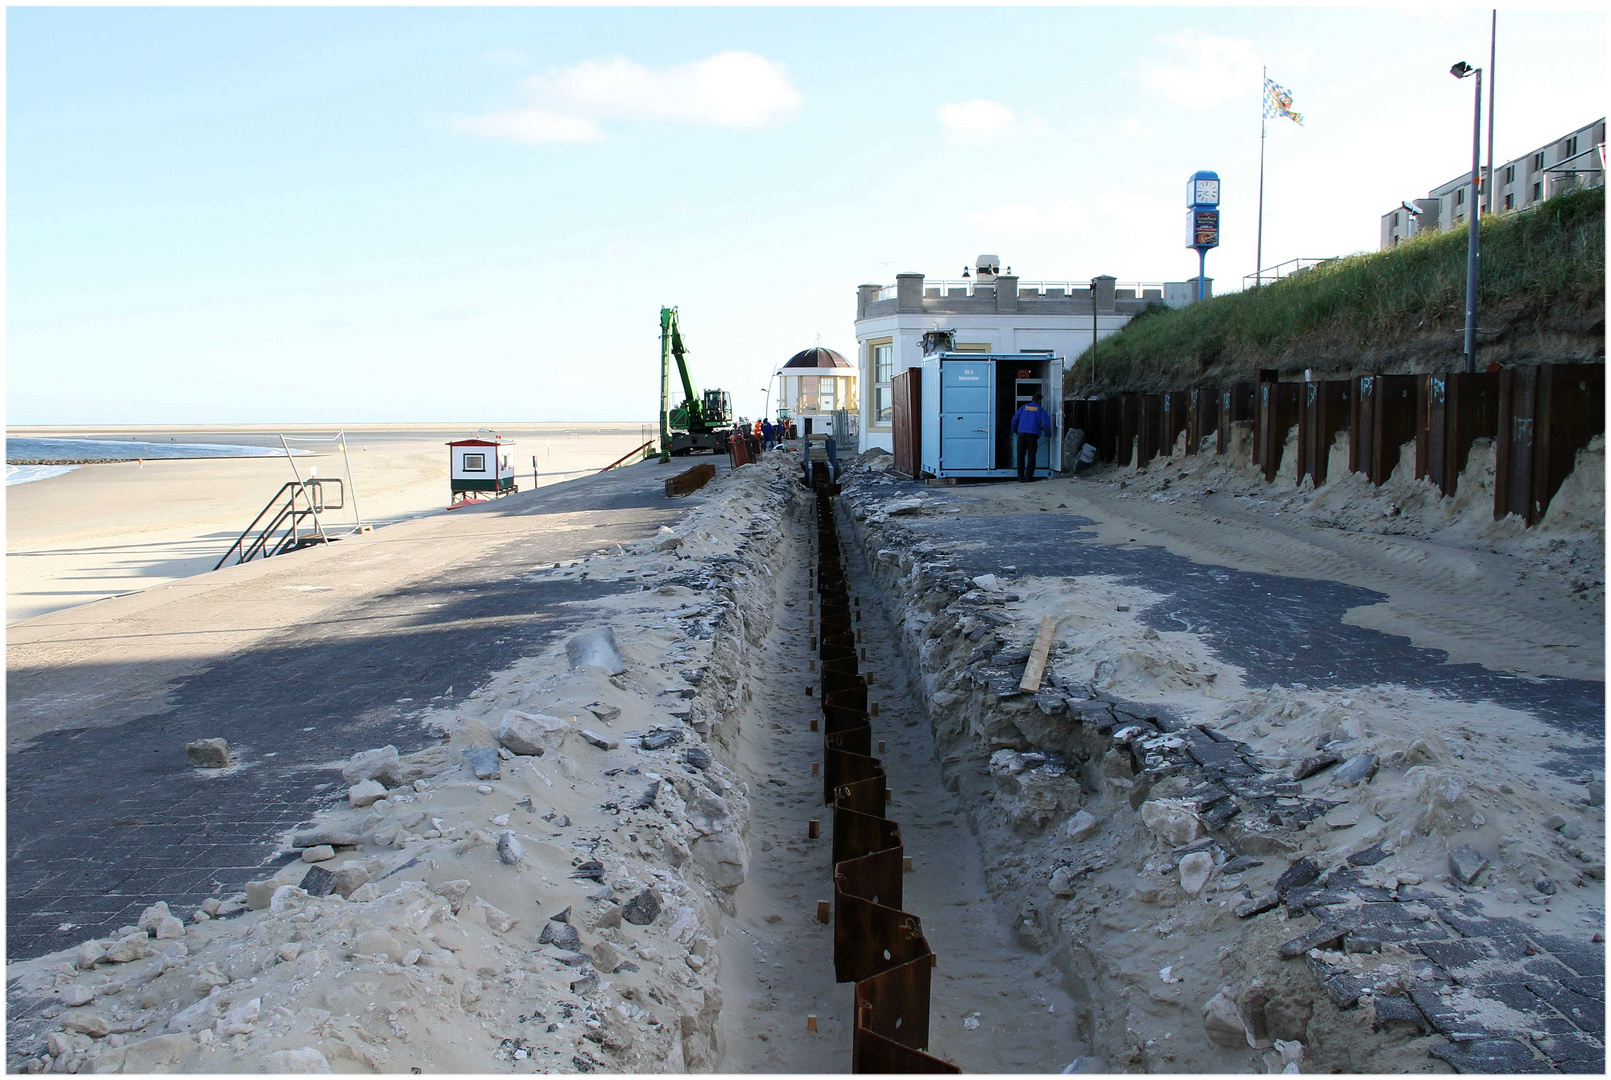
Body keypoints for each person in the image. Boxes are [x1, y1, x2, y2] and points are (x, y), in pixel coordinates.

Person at [1010, 392, 1052, 482]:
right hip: (1033, 435)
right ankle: (1028, 478)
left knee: (1020, 456)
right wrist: (1048, 434)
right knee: (1031, 456)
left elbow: (1014, 420)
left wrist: (1015, 430)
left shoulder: (1023, 408)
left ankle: (1020, 478)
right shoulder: (1040, 410)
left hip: (1021, 434)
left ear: (1032, 399)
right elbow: (1045, 423)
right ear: (1039, 401)